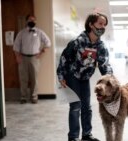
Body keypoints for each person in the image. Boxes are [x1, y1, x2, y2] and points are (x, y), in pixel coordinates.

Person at [57, 13, 113, 141]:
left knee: (87, 107)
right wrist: (61, 76)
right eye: (100, 23)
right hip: (72, 76)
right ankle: (73, 137)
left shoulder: (101, 46)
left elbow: (104, 65)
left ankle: (86, 135)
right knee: (75, 106)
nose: (102, 27)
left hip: (85, 77)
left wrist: (110, 79)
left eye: (104, 25)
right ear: (90, 24)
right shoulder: (77, 42)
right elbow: (64, 59)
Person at [13, 15, 51, 104]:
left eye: (34, 20)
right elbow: (16, 46)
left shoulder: (39, 32)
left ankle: (34, 97)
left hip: (35, 58)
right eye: (30, 19)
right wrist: (17, 56)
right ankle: (23, 97)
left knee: (34, 78)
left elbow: (48, 42)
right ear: (26, 21)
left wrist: (42, 51)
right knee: (23, 78)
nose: (32, 21)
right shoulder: (21, 33)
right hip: (23, 58)